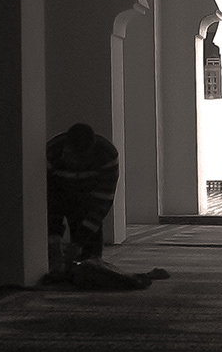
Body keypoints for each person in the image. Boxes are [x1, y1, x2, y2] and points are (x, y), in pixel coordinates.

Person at [45, 122, 150, 289]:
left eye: (81, 160)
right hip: (59, 189)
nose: (75, 164)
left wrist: (78, 242)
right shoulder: (51, 152)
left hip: (89, 195)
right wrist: (53, 239)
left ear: (91, 154)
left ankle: (89, 265)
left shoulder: (107, 155)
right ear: (66, 149)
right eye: (71, 157)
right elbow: (47, 199)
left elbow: (101, 204)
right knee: (51, 247)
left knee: (89, 257)